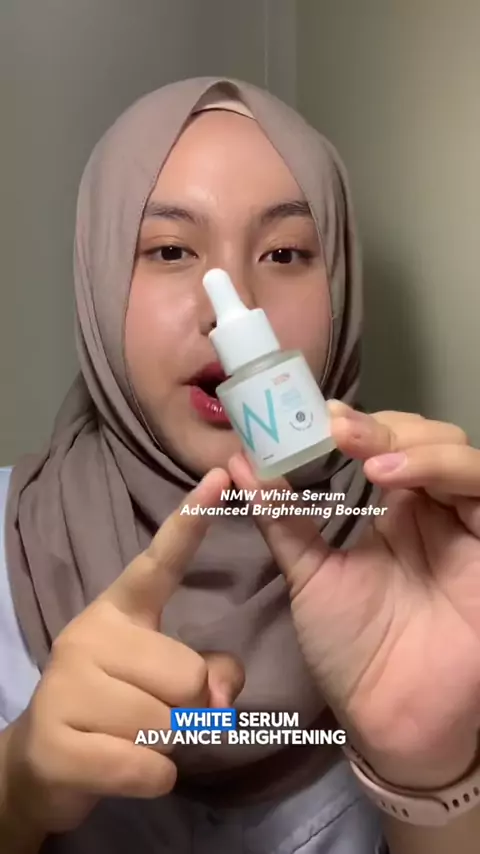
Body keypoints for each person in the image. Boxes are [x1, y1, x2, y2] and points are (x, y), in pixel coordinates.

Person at [0, 77, 479, 854]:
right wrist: (15, 791)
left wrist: (432, 770)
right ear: (98, 281)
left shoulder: (435, 565)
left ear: (340, 287)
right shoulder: (7, 544)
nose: (233, 308)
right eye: (170, 250)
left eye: (285, 252)